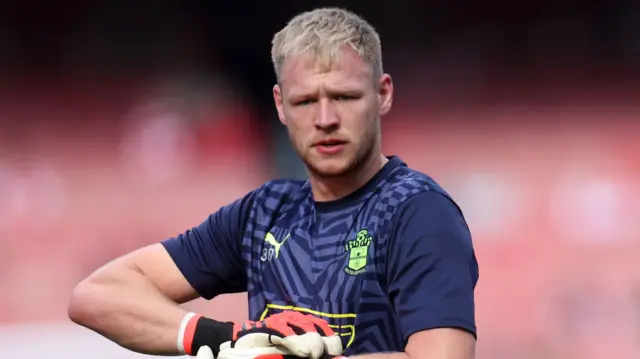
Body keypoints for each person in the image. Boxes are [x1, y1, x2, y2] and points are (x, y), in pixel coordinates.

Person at [68, 7, 479, 359]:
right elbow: (97, 296)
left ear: (383, 94)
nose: (325, 120)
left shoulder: (419, 211)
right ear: (281, 106)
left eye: (345, 97)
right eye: (305, 102)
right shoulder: (264, 212)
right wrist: (229, 341)